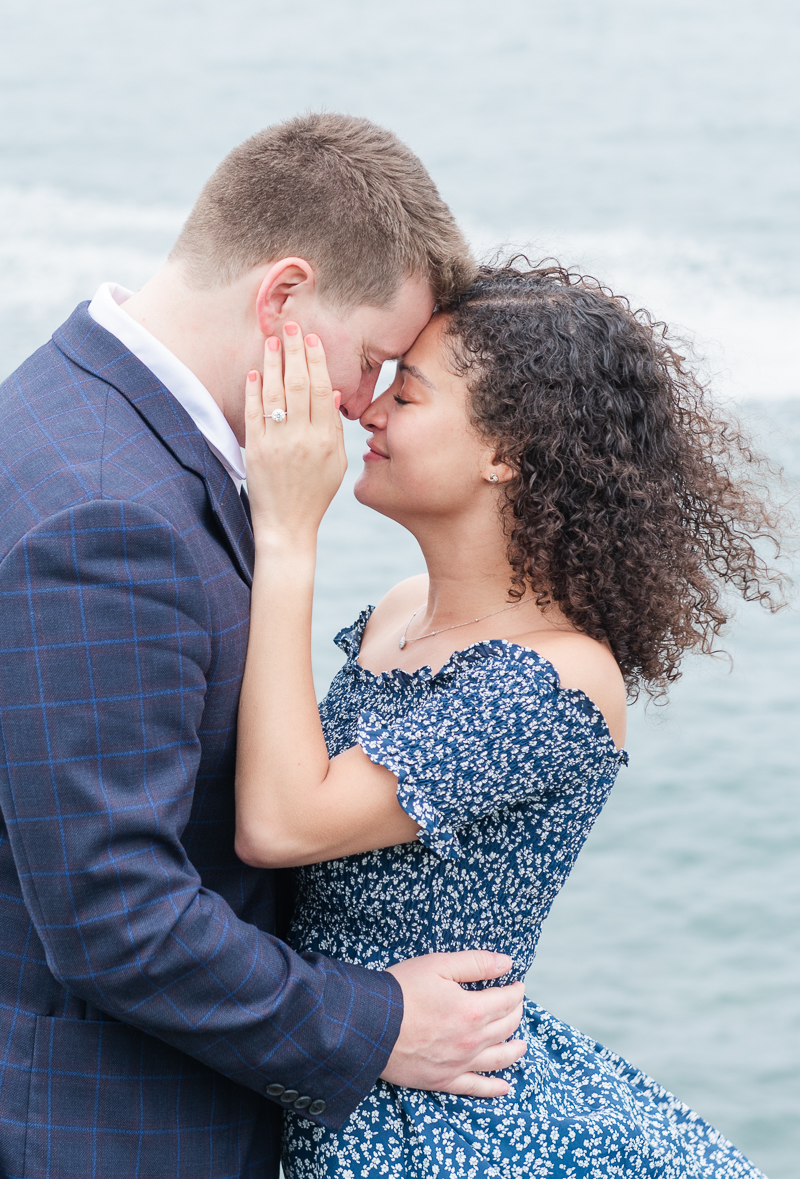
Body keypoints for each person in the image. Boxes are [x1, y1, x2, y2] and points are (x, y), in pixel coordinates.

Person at [0, 115, 527, 1179]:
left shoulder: (67, 410)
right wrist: (376, 1024)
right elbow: (114, 916)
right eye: (372, 358)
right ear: (281, 296)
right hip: (113, 1134)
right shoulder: (112, 517)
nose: (363, 405)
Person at [237, 262, 783, 1178]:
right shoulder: (400, 608)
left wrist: (289, 531)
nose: (364, 412)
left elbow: (282, 821)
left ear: (508, 449)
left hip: (435, 1121)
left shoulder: (557, 679)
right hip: (340, 1057)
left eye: (404, 394)